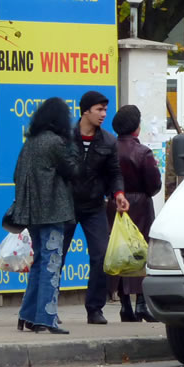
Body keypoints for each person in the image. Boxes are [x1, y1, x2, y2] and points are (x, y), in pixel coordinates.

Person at [10, 97, 82, 334]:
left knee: (40, 263)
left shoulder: (29, 143)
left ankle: (27, 315)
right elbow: (73, 170)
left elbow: (15, 175)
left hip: (31, 213)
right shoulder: (55, 143)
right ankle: (46, 318)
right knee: (52, 264)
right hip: (53, 211)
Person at [63, 90, 129, 325]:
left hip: (94, 206)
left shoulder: (108, 141)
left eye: (105, 110)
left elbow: (114, 173)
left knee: (101, 255)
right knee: (56, 256)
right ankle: (48, 307)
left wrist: (118, 194)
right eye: (99, 110)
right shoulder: (65, 137)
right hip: (65, 205)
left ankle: (95, 309)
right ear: (85, 111)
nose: (103, 114)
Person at [108, 105, 162, 322]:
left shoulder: (108, 148)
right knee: (140, 251)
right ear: (136, 127)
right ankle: (141, 303)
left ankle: (124, 305)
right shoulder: (143, 152)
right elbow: (154, 183)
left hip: (114, 205)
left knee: (120, 251)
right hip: (139, 205)